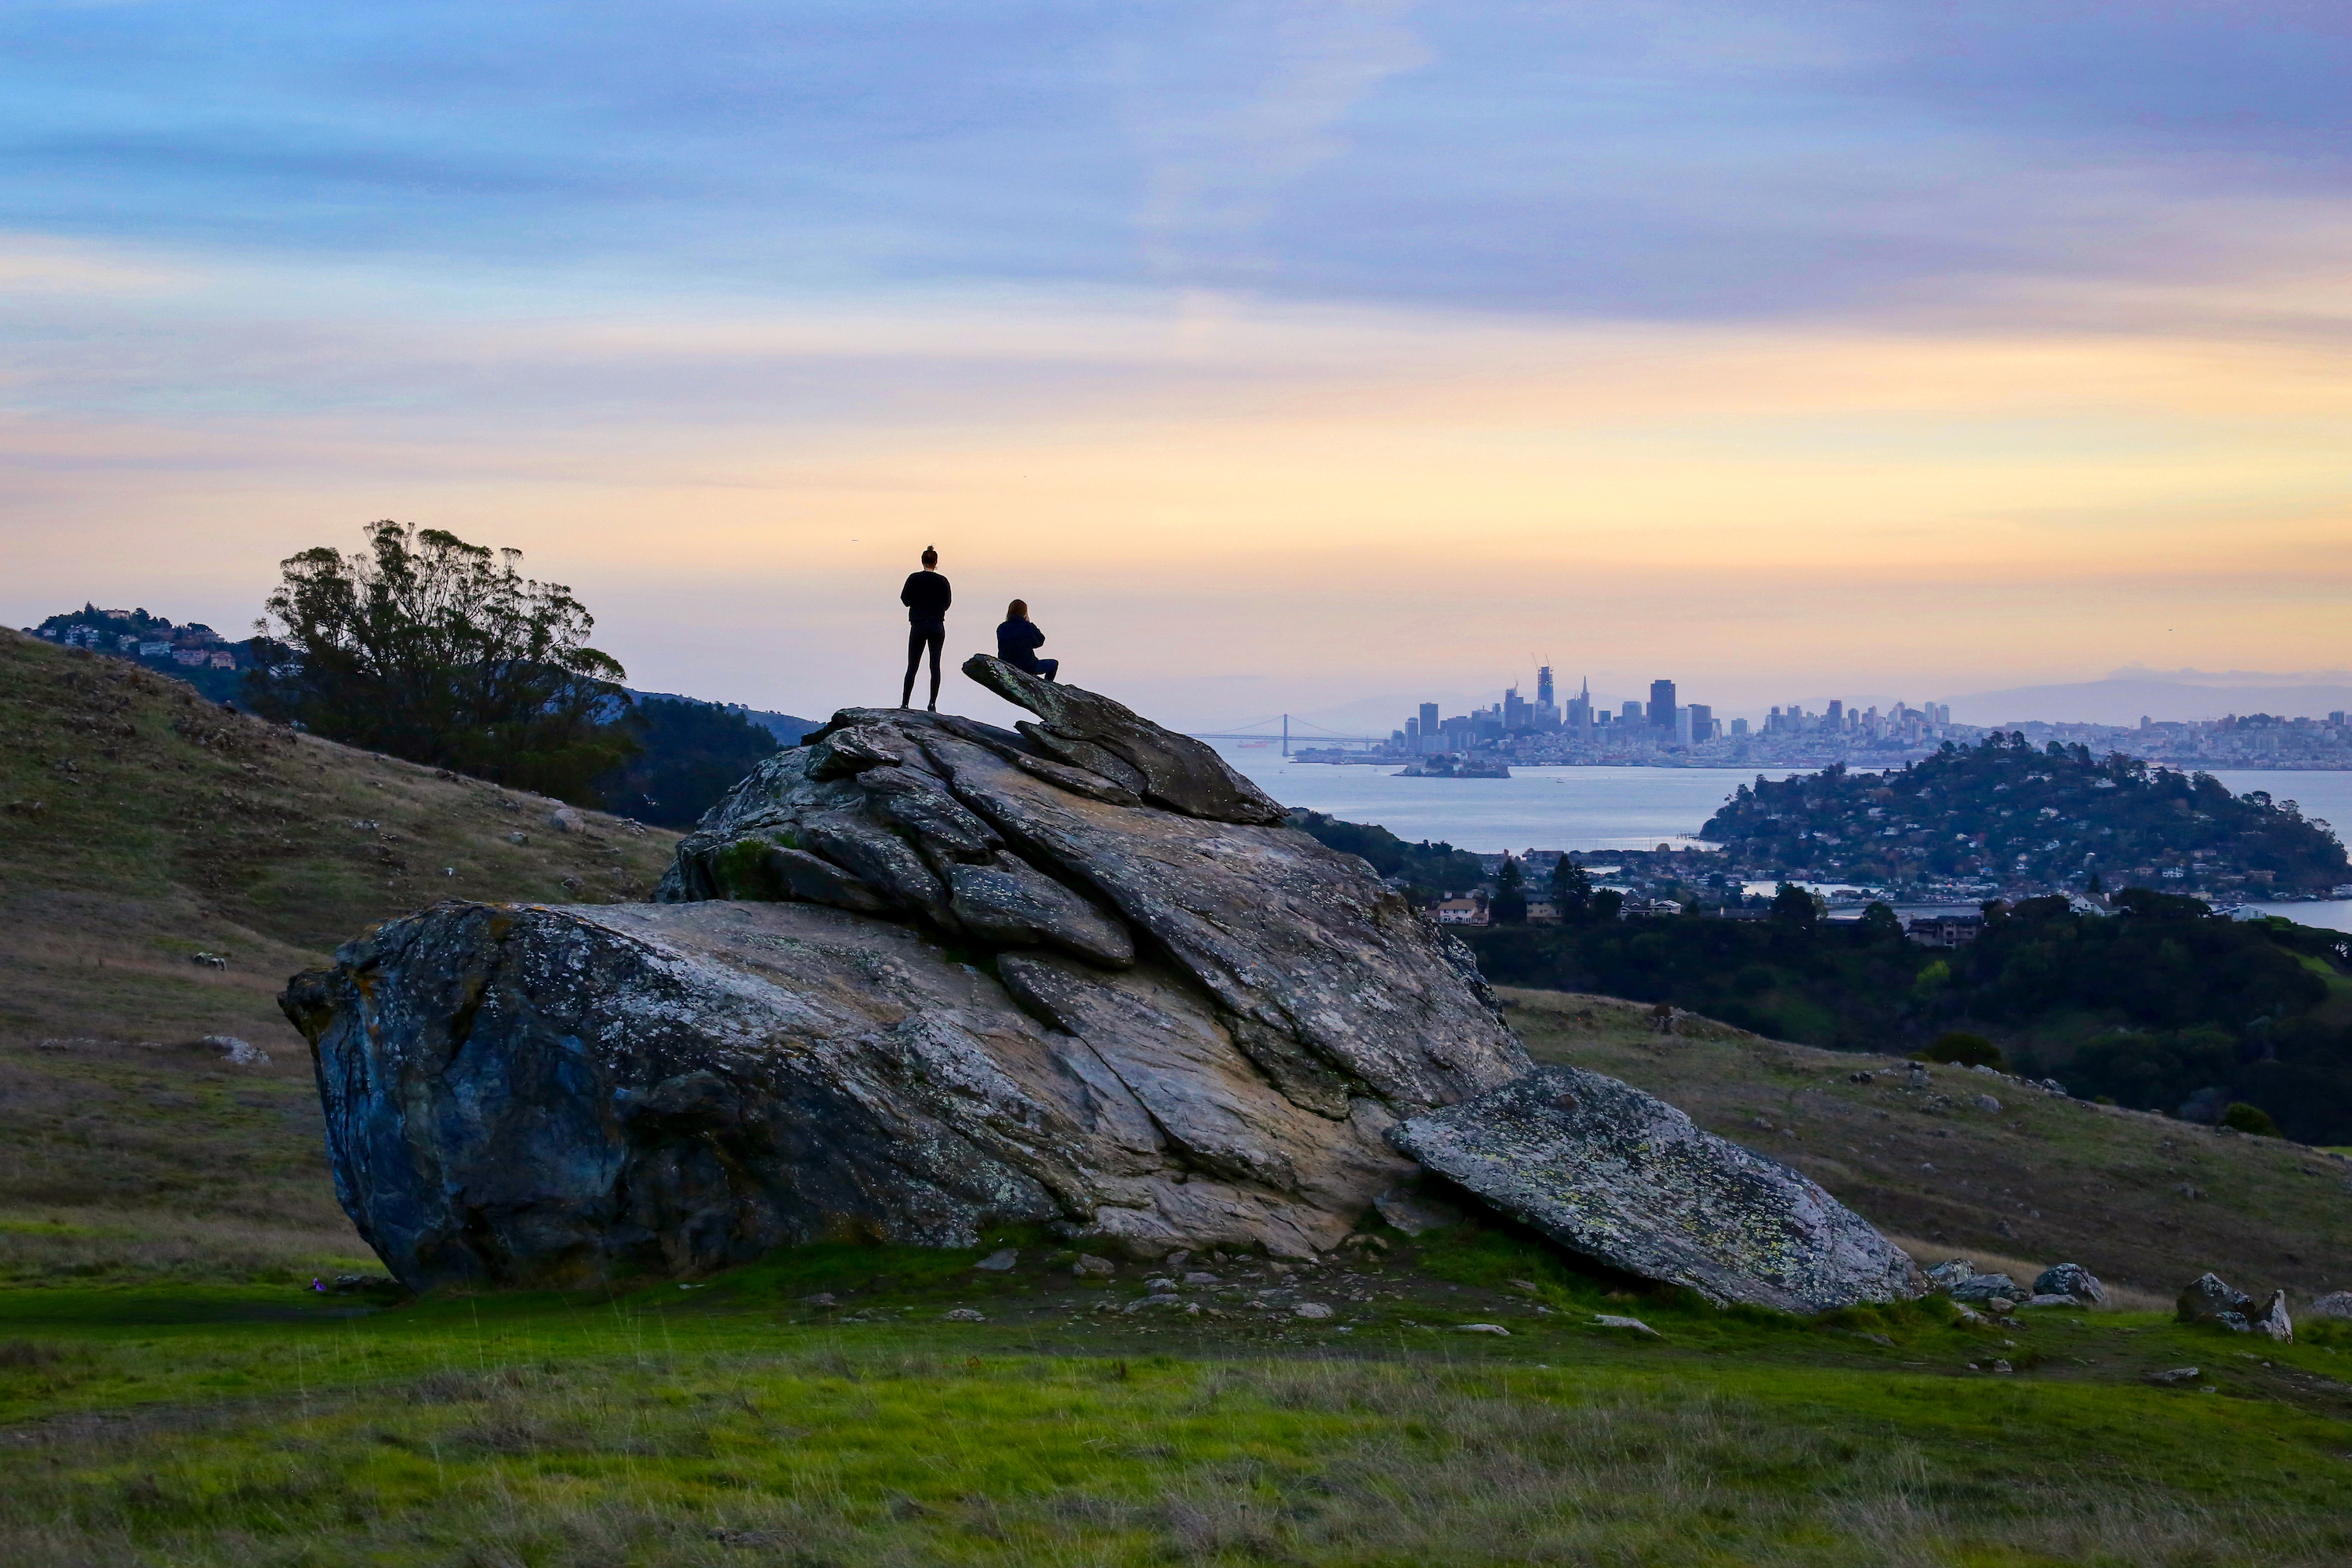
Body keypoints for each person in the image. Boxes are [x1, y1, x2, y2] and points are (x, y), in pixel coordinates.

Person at [899, 546, 951, 710]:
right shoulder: (943, 581)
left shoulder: (914, 579)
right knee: (935, 665)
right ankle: (932, 703)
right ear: (936, 563)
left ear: (922, 561)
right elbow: (947, 604)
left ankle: (905, 703)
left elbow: (905, 600)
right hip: (937, 625)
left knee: (912, 666)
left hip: (918, 625)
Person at [996, 599, 1057, 681]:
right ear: (1025, 613)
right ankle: (1048, 687)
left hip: (1006, 665)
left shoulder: (1001, 628)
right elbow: (1040, 641)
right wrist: (1029, 623)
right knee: (1054, 664)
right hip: (1027, 666)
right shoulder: (1027, 627)